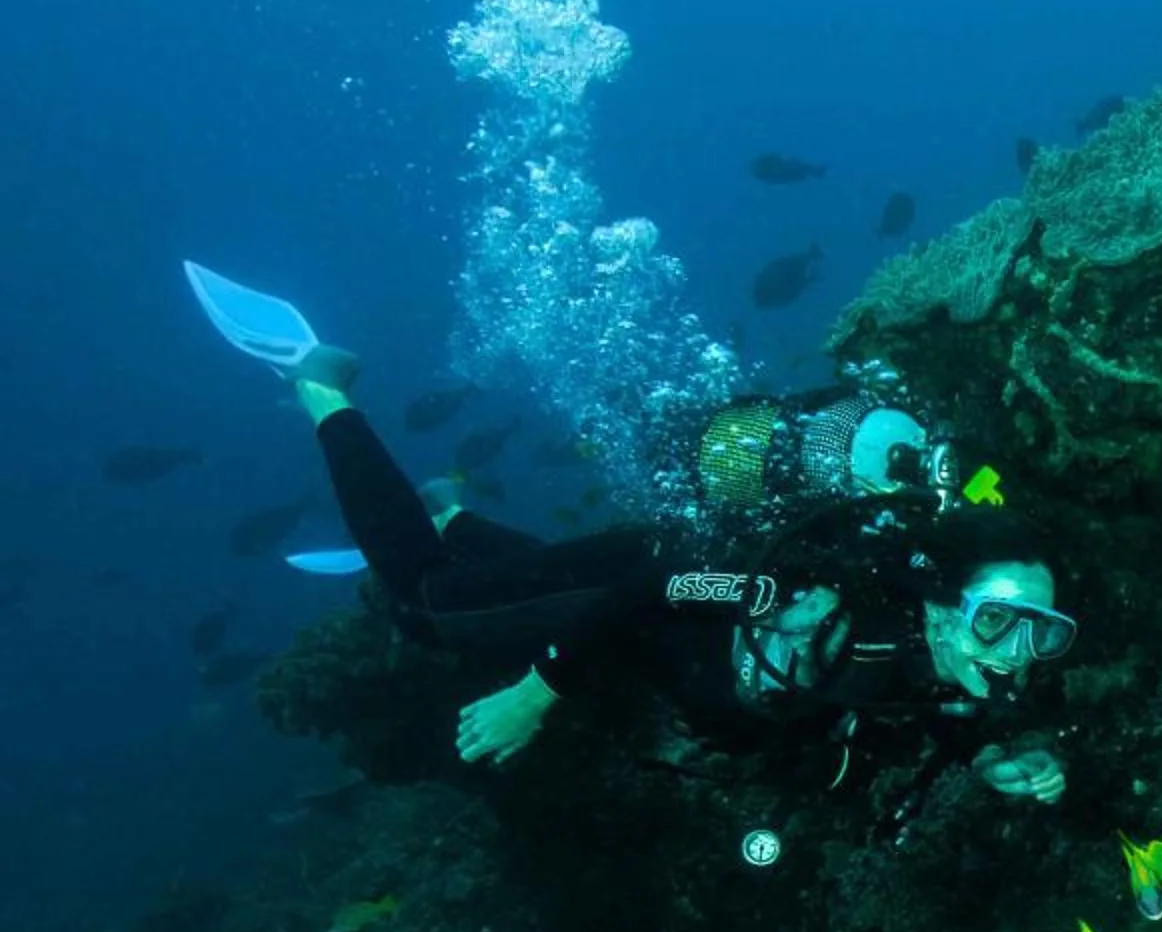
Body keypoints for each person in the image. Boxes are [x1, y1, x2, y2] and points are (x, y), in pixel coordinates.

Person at [187, 262, 1068, 806]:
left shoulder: (950, 663)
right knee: (430, 608)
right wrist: (538, 694)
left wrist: (994, 758)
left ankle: (452, 512)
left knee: (531, 584)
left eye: (1044, 631)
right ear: (943, 605)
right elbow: (648, 592)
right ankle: (321, 387)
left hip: (660, 645)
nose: (1020, 653)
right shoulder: (806, 599)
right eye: (1001, 620)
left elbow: (933, 713)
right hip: (652, 581)